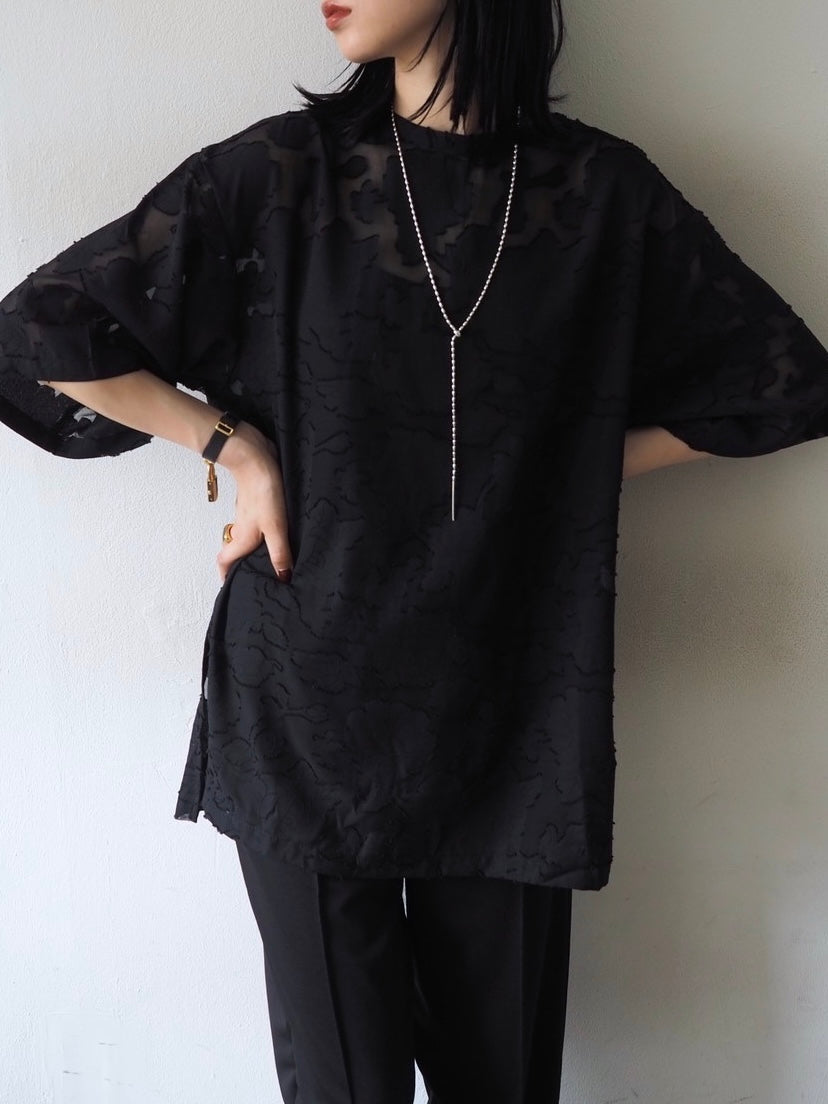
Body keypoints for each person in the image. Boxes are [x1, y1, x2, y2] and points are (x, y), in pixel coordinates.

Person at [2, 1, 828, 1101]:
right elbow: (42, 328)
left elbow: (784, 384)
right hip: (304, 705)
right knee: (344, 1084)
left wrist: (570, 464)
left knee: (502, 1081)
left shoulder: (604, 196)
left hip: (512, 710)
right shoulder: (280, 176)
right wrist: (237, 447)